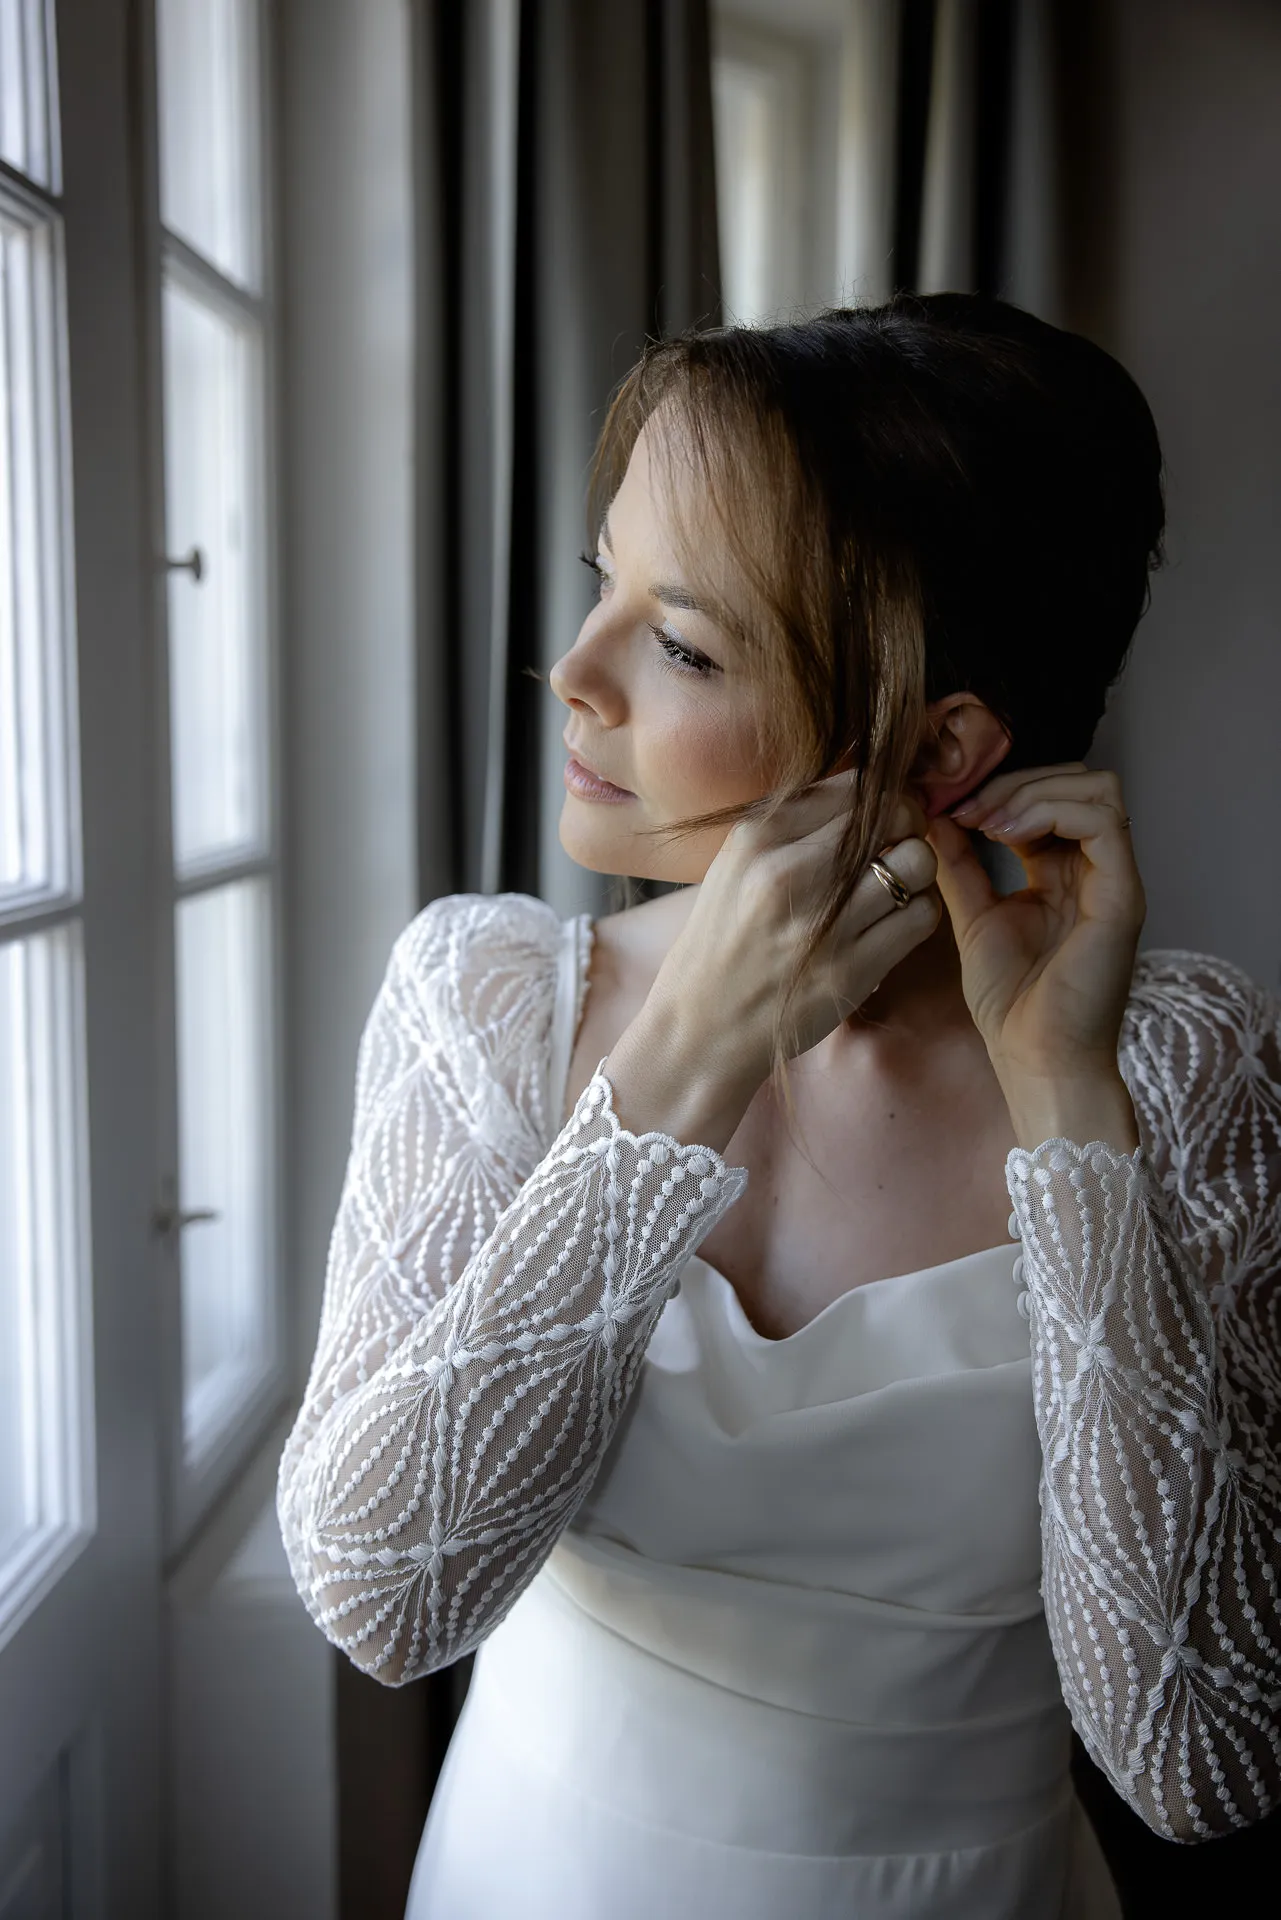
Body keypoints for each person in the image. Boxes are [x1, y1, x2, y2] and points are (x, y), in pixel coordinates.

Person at [277, 293, 1281, 1919]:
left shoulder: (1180, 1065)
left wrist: (1070, 1108)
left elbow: (1196, 1756)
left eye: (680, 643)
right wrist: (685, 1072)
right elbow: (383, 1598)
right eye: (605, 584)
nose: (573, 673)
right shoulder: (488, 1000)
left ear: (940, 743)